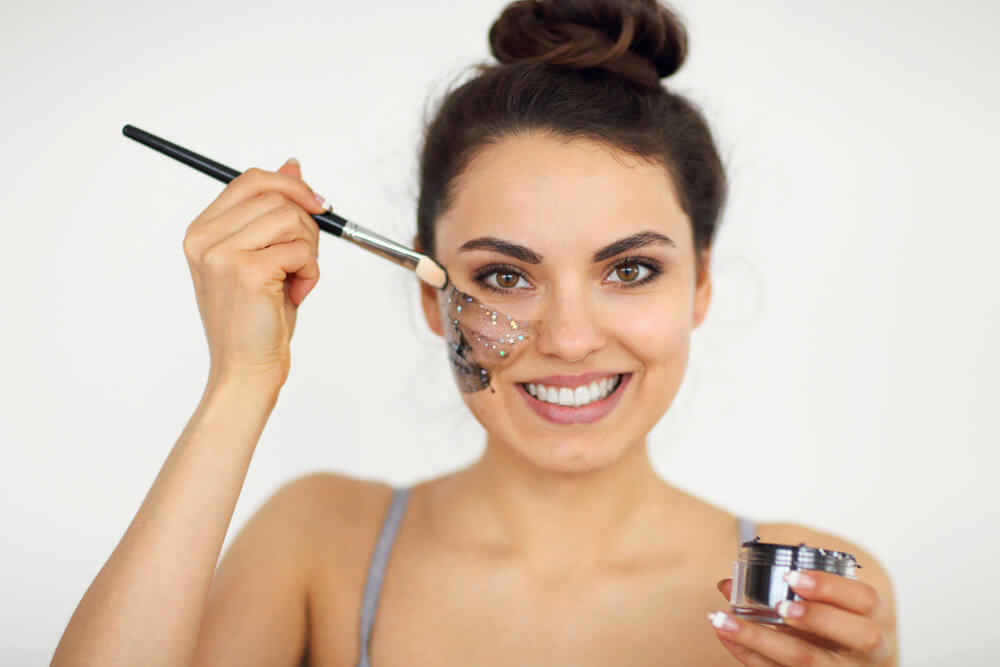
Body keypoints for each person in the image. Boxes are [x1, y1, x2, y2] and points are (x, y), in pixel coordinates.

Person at [52, 0, 897, 665]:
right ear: (431, 294)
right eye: (503, 275)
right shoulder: (317, 542)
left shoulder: (805, 596)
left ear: (701, 285)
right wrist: (239, 382)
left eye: (630, 269)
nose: (567, 338)